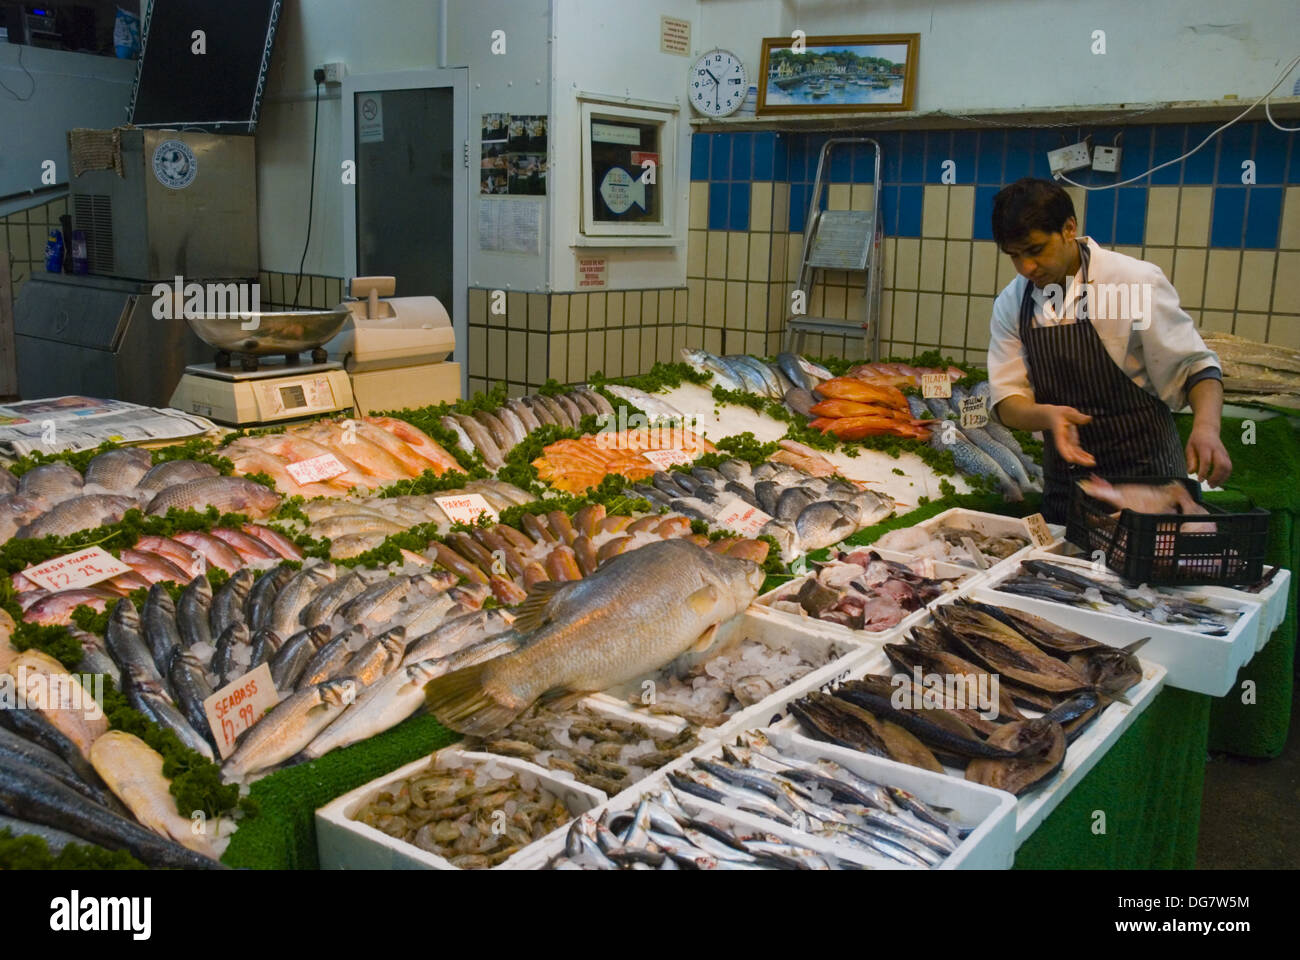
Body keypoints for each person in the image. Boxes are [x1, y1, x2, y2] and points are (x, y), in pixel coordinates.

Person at [986, 178, 1231, 522]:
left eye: (1036, 249)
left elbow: (1196, 368)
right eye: (1015, 256)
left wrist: (1207, 427)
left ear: (1069, 228)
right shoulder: (1013, 302)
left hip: (1150, 484)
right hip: (1068, 491)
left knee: (1146, 574)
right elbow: (1007, 400)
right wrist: (1048, 416)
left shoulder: (1134, 282)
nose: (1027, 267)